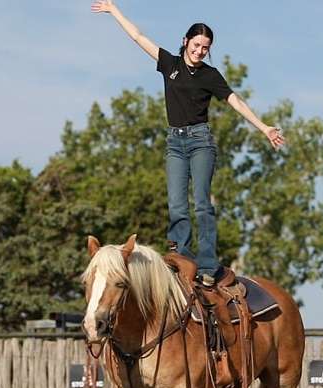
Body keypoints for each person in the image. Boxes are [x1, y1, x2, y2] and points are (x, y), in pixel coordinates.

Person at [92, 1, 285, 287]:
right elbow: (138, 37)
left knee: (202, 204)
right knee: (177, 206)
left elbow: (235, 101)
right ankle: (182, 257)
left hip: (200, 141)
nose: (199, 51)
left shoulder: (210, 75)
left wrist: (264, 127)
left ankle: (207, 264)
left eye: (205, 47)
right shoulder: (170, 63)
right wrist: (114, 10)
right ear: (185, 41)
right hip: (175, 142)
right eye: (196, 45)